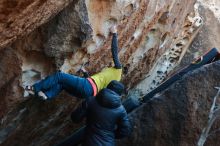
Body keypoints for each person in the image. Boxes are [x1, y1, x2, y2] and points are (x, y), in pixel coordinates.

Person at [25, 26, 122, 100]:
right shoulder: (113, 83)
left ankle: (34, 88)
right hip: (87, 94)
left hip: (87, 86)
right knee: (62, 84)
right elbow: (97, 88)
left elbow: (114, 52)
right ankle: (47, 95)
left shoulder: (118, 70)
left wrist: (115, 34)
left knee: (59, 76)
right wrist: (85, 74)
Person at [71, 80, 132, 146]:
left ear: (107, 87)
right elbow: (125, 131)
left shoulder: (91, 100)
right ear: (119, 94)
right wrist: (110, 135)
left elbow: (75, 118)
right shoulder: (121, 110)